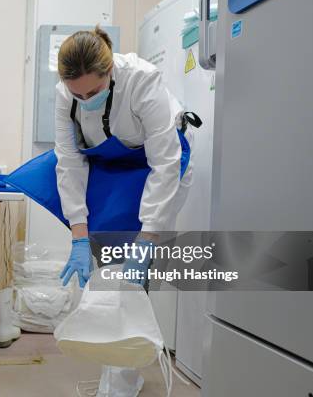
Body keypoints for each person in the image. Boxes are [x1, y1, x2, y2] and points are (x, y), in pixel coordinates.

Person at [54, 26, 196, 397]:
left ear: (111, 73)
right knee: (107, 257)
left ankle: (121, 380)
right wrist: (79, 237)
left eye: (94, 92)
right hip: (116, 164)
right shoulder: (64, 95)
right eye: (77, 94)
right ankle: (117, 369)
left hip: (163, 164)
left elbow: (166, 163)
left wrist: (147, 240)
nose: (85, 100)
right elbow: (69, 163)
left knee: (133, 270)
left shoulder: (142, 80)